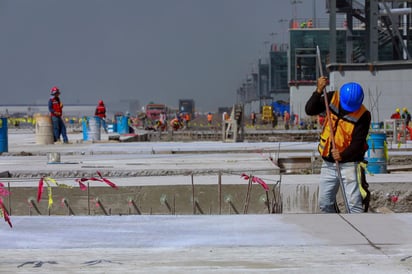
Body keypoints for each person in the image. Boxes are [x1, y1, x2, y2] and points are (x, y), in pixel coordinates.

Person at [305, 76, 371, 213]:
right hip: (328, 164)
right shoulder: (332, 98)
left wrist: (342, 155)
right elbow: (310, 110)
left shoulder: (363, 115)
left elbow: (358, 143)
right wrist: (318, 91)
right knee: (324, 203)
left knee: (354, 205)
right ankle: (335, 228)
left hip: (349, 164)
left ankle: (358, 230)